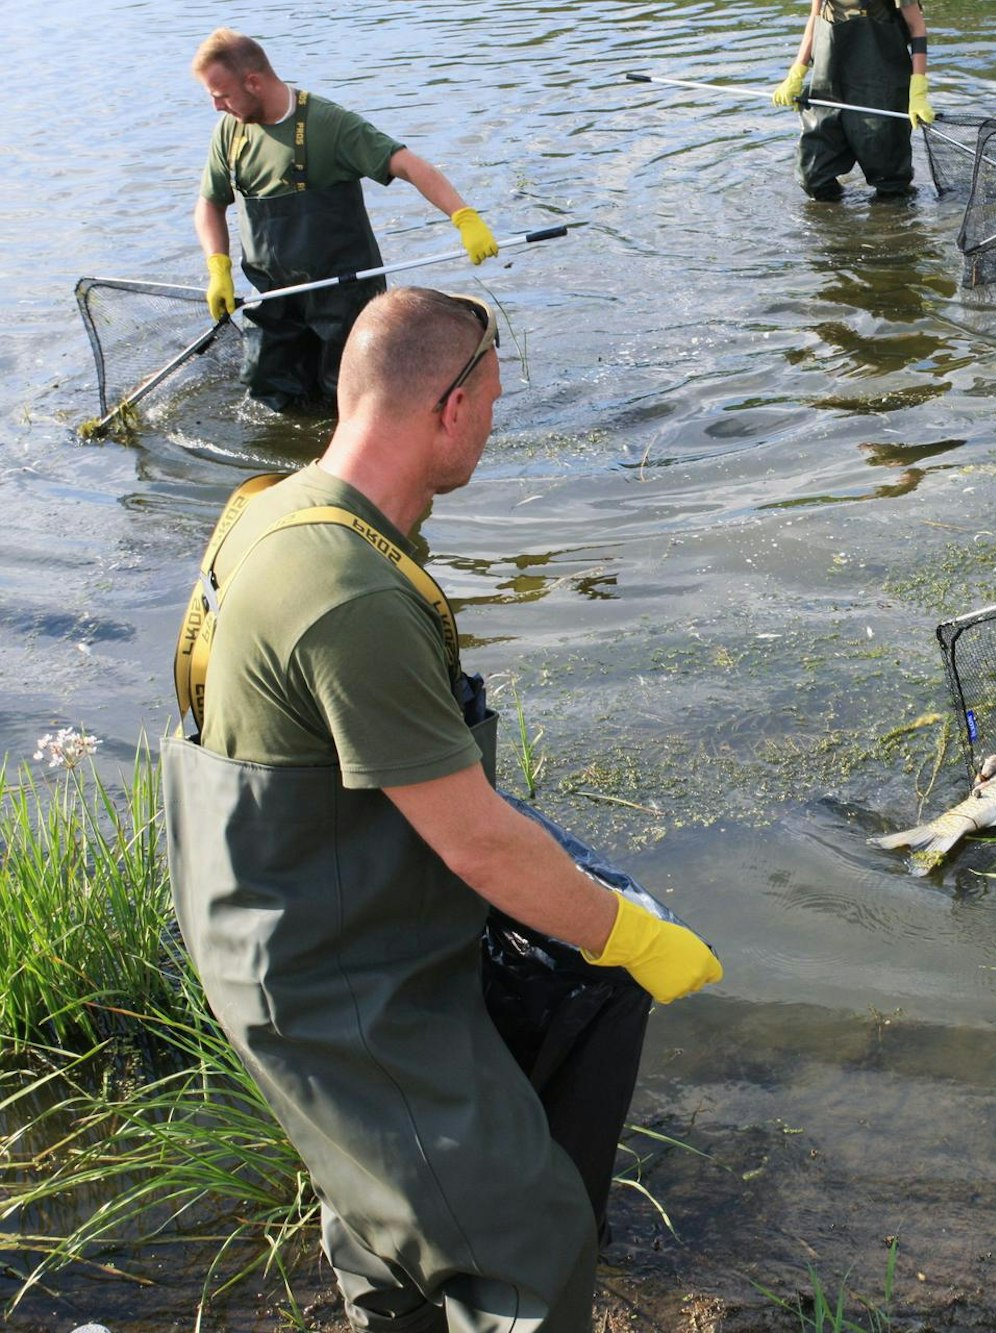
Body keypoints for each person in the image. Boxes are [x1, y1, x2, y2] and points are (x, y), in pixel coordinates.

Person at [163, 288, 723, 1330]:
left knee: (389, 1224)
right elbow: (474, 843)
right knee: (529, 1238)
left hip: (276, 929)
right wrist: (630, 935)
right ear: (449, 407)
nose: (495, 424)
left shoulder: (271, 509)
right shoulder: (350, 595)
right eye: (495, 402)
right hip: (335, 983)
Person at [192, 29, 501, 410]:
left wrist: (464, 217)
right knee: (266, 393)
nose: (216, 107)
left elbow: (408, 165)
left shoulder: (328, 125)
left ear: (252, 82)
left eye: (220, 95)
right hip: (275, 300)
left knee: (350, 400)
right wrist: (217, 267)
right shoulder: (231, 134)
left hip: (343, 299)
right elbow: (209, 204)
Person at [770, 0, 935, 201]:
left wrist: (918, 89)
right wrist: (796, 73)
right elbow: (815, 19)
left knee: (889, 179)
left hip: (880, 81)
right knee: (813, 176)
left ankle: (895, 221)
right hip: (829, 78)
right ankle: (835, 224)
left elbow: (917, 27)